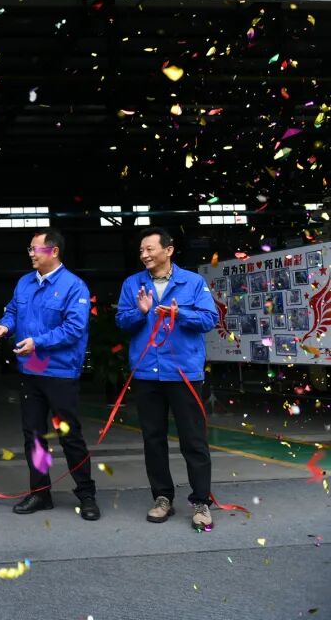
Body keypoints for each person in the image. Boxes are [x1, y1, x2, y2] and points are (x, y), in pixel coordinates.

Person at [0, 229, 100, 521]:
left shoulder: (74, 286)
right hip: (31, 370)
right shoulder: (24, 283)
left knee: (69, 435)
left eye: (35, 249)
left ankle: (86, 494)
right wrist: (5, 326)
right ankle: (40, 492)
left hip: (60, 372)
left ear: (53, 251)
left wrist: (37, 342)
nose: (31, 254)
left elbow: (74, 329)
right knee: (34, 436)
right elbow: (13, 312)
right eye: (30, 249)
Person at [116, 227, 218, 530]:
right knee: (153, 438)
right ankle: (162, 497)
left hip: (183, 372)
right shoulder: (132, 284)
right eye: (141, 250)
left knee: (193, 439)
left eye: (150, 249)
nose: (144, 255)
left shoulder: (193, 282)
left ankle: (201, 501)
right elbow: (121, 321)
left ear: (168, 250)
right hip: (147, 372)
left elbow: (210, 319)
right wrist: (140, 312)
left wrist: (180, 313)